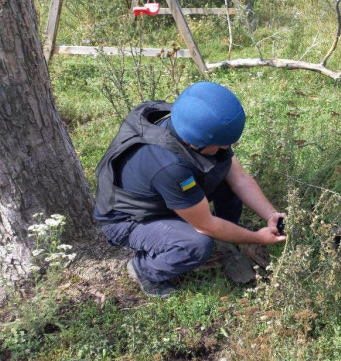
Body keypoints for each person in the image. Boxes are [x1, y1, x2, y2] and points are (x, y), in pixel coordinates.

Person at [94, 81, 286, 297]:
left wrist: (270, 214)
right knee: (196, 244)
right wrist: (256, 237)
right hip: (130, 219)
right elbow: (206, 225)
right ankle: (145, 270)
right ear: (193, 142)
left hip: (164, 194)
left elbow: (239, 177)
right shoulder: (169, 165)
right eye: (222, 144)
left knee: (222, 171)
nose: (227, 148)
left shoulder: (193, 123)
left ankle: (228, 235)